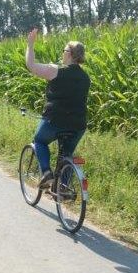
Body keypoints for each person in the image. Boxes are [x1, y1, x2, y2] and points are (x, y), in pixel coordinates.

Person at [25, 28, 91, 188]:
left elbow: (31, 65)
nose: (63, 53)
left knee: (39, 140)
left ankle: (47, 173)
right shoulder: (85, 77)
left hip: (55, 120)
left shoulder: (55, 71)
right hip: (78, 125)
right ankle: (64, 188)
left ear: (69, 54)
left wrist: (30, 45)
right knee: (67, 154)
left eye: (64, 50)